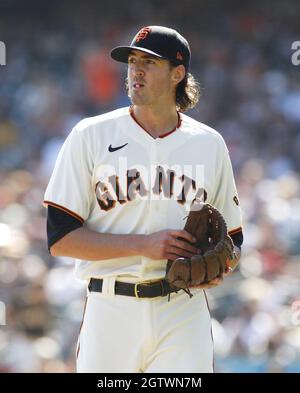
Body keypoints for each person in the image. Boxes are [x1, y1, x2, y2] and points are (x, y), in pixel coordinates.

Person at [44, 25, 243, 373]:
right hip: (110, 308)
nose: (136, 69)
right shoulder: (89, 135)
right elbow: (60, 239)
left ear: (178, 74)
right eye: (132, 61)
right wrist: (142, 245)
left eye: (150, 62)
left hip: (183, 308)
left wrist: (219, 269)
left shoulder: (209, 144)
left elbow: (234, 240)